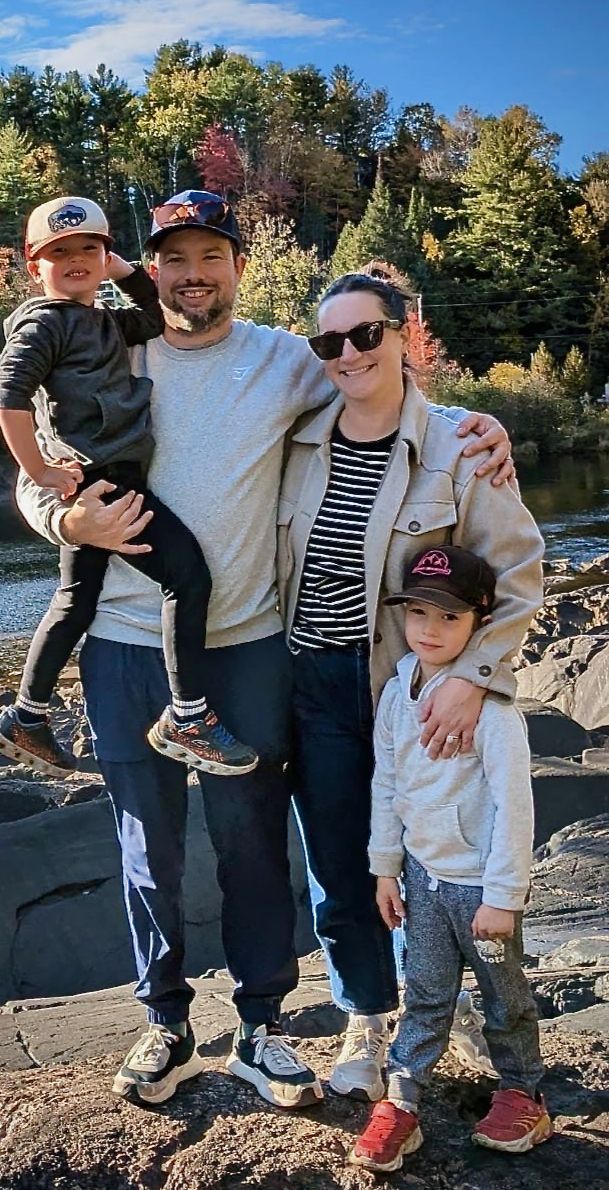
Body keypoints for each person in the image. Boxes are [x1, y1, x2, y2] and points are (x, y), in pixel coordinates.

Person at [17, 194, 513, 1111]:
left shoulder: (286, 359)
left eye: (212, 255)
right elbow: (31, 471)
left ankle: (261, 1026)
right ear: (150, 267)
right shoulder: (101, 346)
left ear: (237, 267)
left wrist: (479, 425)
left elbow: (383, 385)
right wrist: (62, 514)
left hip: (245, 647)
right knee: (147, 844)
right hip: (124, 647)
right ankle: (163, 1022)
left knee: (251, 842)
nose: (193, 273)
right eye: (176, 257)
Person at [278, 271, 545, 1107]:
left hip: (410, 688)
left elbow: (521, 573)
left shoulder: (461, 447)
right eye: (331, 342)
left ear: (402, 334)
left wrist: (470, 678)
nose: (349, 353)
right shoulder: (294, 436)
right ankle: (365, 1014)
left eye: (366, 334)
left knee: (436, 854)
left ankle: (441, 1013)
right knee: (340, 857)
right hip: (312, 683)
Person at [0, 195, 257, 778]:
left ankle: (26, 717)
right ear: (35, 267)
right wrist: (41, 474)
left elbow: (156, 318)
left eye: (91, 248)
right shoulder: (44, 323)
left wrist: (127, 271)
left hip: (102, 475)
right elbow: (7, 398)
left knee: (74, 599)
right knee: (187, 577)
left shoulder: (103, 320)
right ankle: (188, 717)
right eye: (60, 253)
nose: (78, 259)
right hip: (103, 478)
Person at [348, 545, 552, 1172]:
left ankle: (523, 1093)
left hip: (480, 890)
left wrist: (503, 897)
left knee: (504, 995)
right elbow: (387, 781)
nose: (429, 630)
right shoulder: (395, 692)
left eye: (449, 618)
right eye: (416, 612)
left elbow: (516, 807)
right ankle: (403, 1099)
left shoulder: (492, 712)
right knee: (426, 993)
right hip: (422, 881)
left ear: (480, 620)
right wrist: (385, 865)